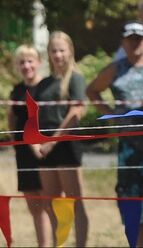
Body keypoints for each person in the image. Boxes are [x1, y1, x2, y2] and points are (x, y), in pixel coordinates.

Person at [89, 22, 143, 248]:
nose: (135, 43)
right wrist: (111, 115)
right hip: (128, 147)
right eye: (130, 38)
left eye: (139, 38)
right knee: (130, 199)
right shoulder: (116, 68)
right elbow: (92, 90)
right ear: (123, 42)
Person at [37, 31, 89, 248]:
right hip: (45, 147)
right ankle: (60, 243)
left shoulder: (76, 79)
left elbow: (77, 111)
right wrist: (39, 143)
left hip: (66, 144)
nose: (58, 55)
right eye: (53, 50)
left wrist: (52, 141)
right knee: (51, 202)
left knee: (75, 202)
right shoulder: (45, 82)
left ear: (70, 51)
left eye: (61, 50)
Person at [9, 45, 55, 247]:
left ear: (39, 62)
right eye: (22, 62)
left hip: (45, 153)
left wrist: (43, 144)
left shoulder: (47, 87)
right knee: (34, 206)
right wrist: (16, 141)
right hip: (24, 153)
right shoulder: (17, 90)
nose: (26, 65)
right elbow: (12, 118)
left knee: (49, 203)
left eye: (30, 61)